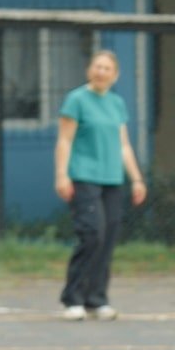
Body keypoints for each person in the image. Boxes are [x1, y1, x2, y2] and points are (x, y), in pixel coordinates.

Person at [53, 49, 148, 320]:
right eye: (97, 66)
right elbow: (64, 141)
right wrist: (62, 174)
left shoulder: (117, 103)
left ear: (115, 75)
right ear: (89, 70)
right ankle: (73, 297)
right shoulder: (76, 100)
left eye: (107, 68)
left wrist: (137, 179)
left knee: (107, 238)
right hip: (84, 176)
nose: (101, 71)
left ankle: (96, 298)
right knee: (92, 233)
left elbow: (124, 146)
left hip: (112, 179)